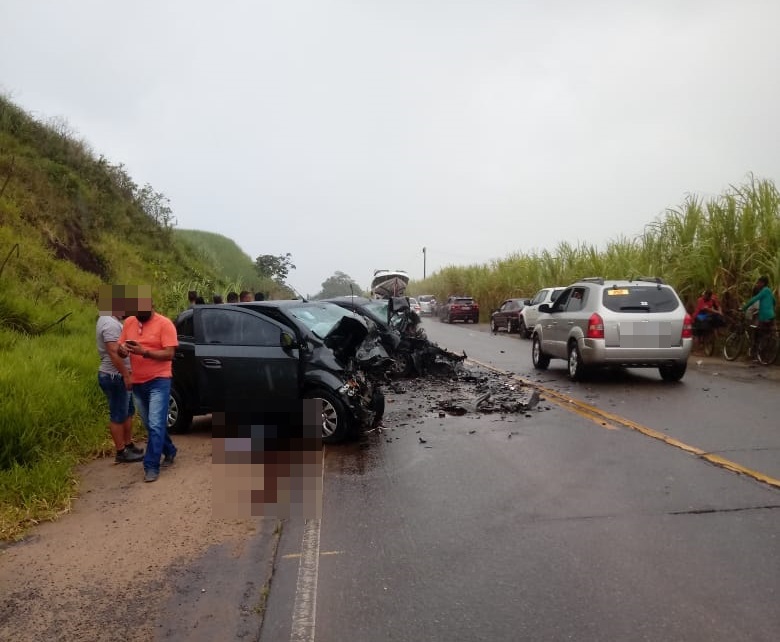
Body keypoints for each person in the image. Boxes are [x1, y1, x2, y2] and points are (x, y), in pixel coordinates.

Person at [118, 287, 178, 483]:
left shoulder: (165, 324)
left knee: (154, 424)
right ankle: (169, 449)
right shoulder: (129, 322)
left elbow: (169, 354)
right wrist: (123, 351)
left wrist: (144, 352)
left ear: (152, 305)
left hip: (159, 380)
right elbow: (120, 348)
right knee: (151, 424)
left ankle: (151, 466)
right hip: (138, 381)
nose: (138, 315)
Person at [96, 286, 144, 463]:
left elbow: (118, 349)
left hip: (117, 375)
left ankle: (128, 445)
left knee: (127, 411)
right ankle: (121, 451)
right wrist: (125, 374)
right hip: (114, 376)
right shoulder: (109, 323)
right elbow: (112, 352)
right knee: (118, 414)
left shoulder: (111, 320)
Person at [742, 276, 776, 354]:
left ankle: (756, 355)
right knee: (769, 333)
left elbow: (754, 299)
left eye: (759, 282)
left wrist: (744, 307)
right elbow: (774, 301)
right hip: (771, 316)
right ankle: (768, 352)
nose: (758, 284)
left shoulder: (764, 291)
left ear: (763, 283)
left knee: (757, 335)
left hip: (764, 317)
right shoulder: (769, 291)